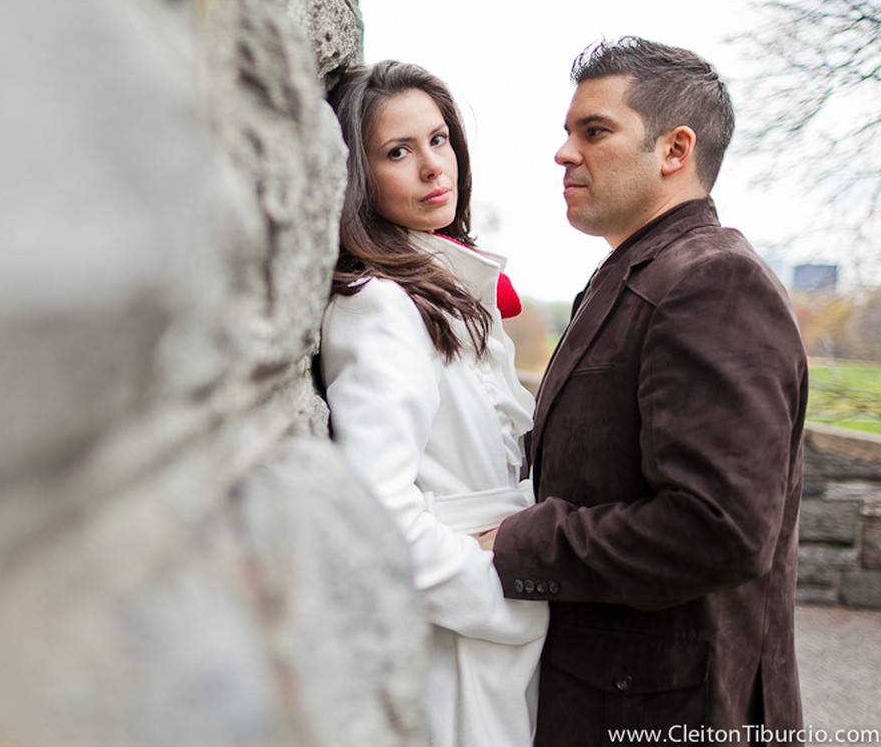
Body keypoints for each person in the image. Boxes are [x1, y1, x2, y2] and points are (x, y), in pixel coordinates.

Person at [482, 37, 808, 744]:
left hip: (673, 714)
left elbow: (718, 529)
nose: (564, 153)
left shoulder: (713, 283)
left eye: (593, 131)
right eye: (568, 132)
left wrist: (517, 544)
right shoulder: (626, 278)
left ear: (673, 150)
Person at [319, 60, 548, 747]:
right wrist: (510, 599)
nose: (431, 167)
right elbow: (379, 517)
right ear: (359, 178)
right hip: (459, 644)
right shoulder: (380, 308)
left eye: (439, 139)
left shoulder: (449, 288)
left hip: (506, 623)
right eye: (398, 151)